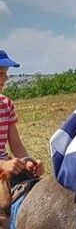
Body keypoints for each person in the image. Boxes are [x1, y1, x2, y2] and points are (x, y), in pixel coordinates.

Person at [0, 50, 44, 180]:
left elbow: (16, 145)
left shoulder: (6, 104)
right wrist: (3, 164)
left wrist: (28, 162)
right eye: (0, 73)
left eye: (6, 73)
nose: (5, 78)